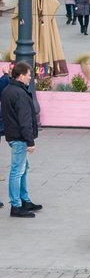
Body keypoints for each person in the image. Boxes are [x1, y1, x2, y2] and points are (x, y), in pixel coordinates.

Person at [2, 62, 40, 218]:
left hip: (13, 135)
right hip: (19, 137)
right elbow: (24, 120)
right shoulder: (19, 93)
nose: (30, 78)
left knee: (23, 169)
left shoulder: (8, 90)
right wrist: (30, 141)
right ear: (21, 75)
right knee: (17, 171)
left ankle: (24, 200)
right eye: (29, 75)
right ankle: (16, 206)